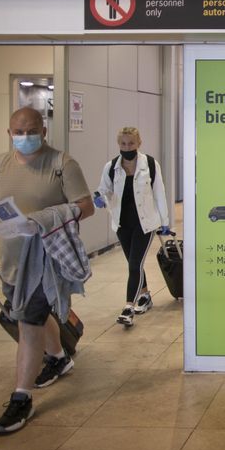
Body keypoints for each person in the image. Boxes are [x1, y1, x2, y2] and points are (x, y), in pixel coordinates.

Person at [0, 107, 94, 434]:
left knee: (28, 321)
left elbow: (86, 206)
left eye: (30, 132)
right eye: (17, 132)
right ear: (8, 132)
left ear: (43, 131)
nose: (23, 138)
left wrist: (41, 220)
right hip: (13, 259)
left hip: (46, 259)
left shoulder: (62, 164)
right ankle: (58, 356)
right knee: (33, 315)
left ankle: (21, 397)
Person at [94, 127, 170, 327]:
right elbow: (103, 190)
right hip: (122, 223)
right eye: (123, 144)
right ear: (119, 145)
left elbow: (159, 193)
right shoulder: (111, 167)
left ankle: (128, 307)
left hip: (145, 224)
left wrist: (165, 222)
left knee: (135, 264)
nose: (127, 147)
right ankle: (145, 296)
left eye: (131, 144)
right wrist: (100, 199)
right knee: (134, 263)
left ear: (139, 143)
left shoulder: (150, 164)